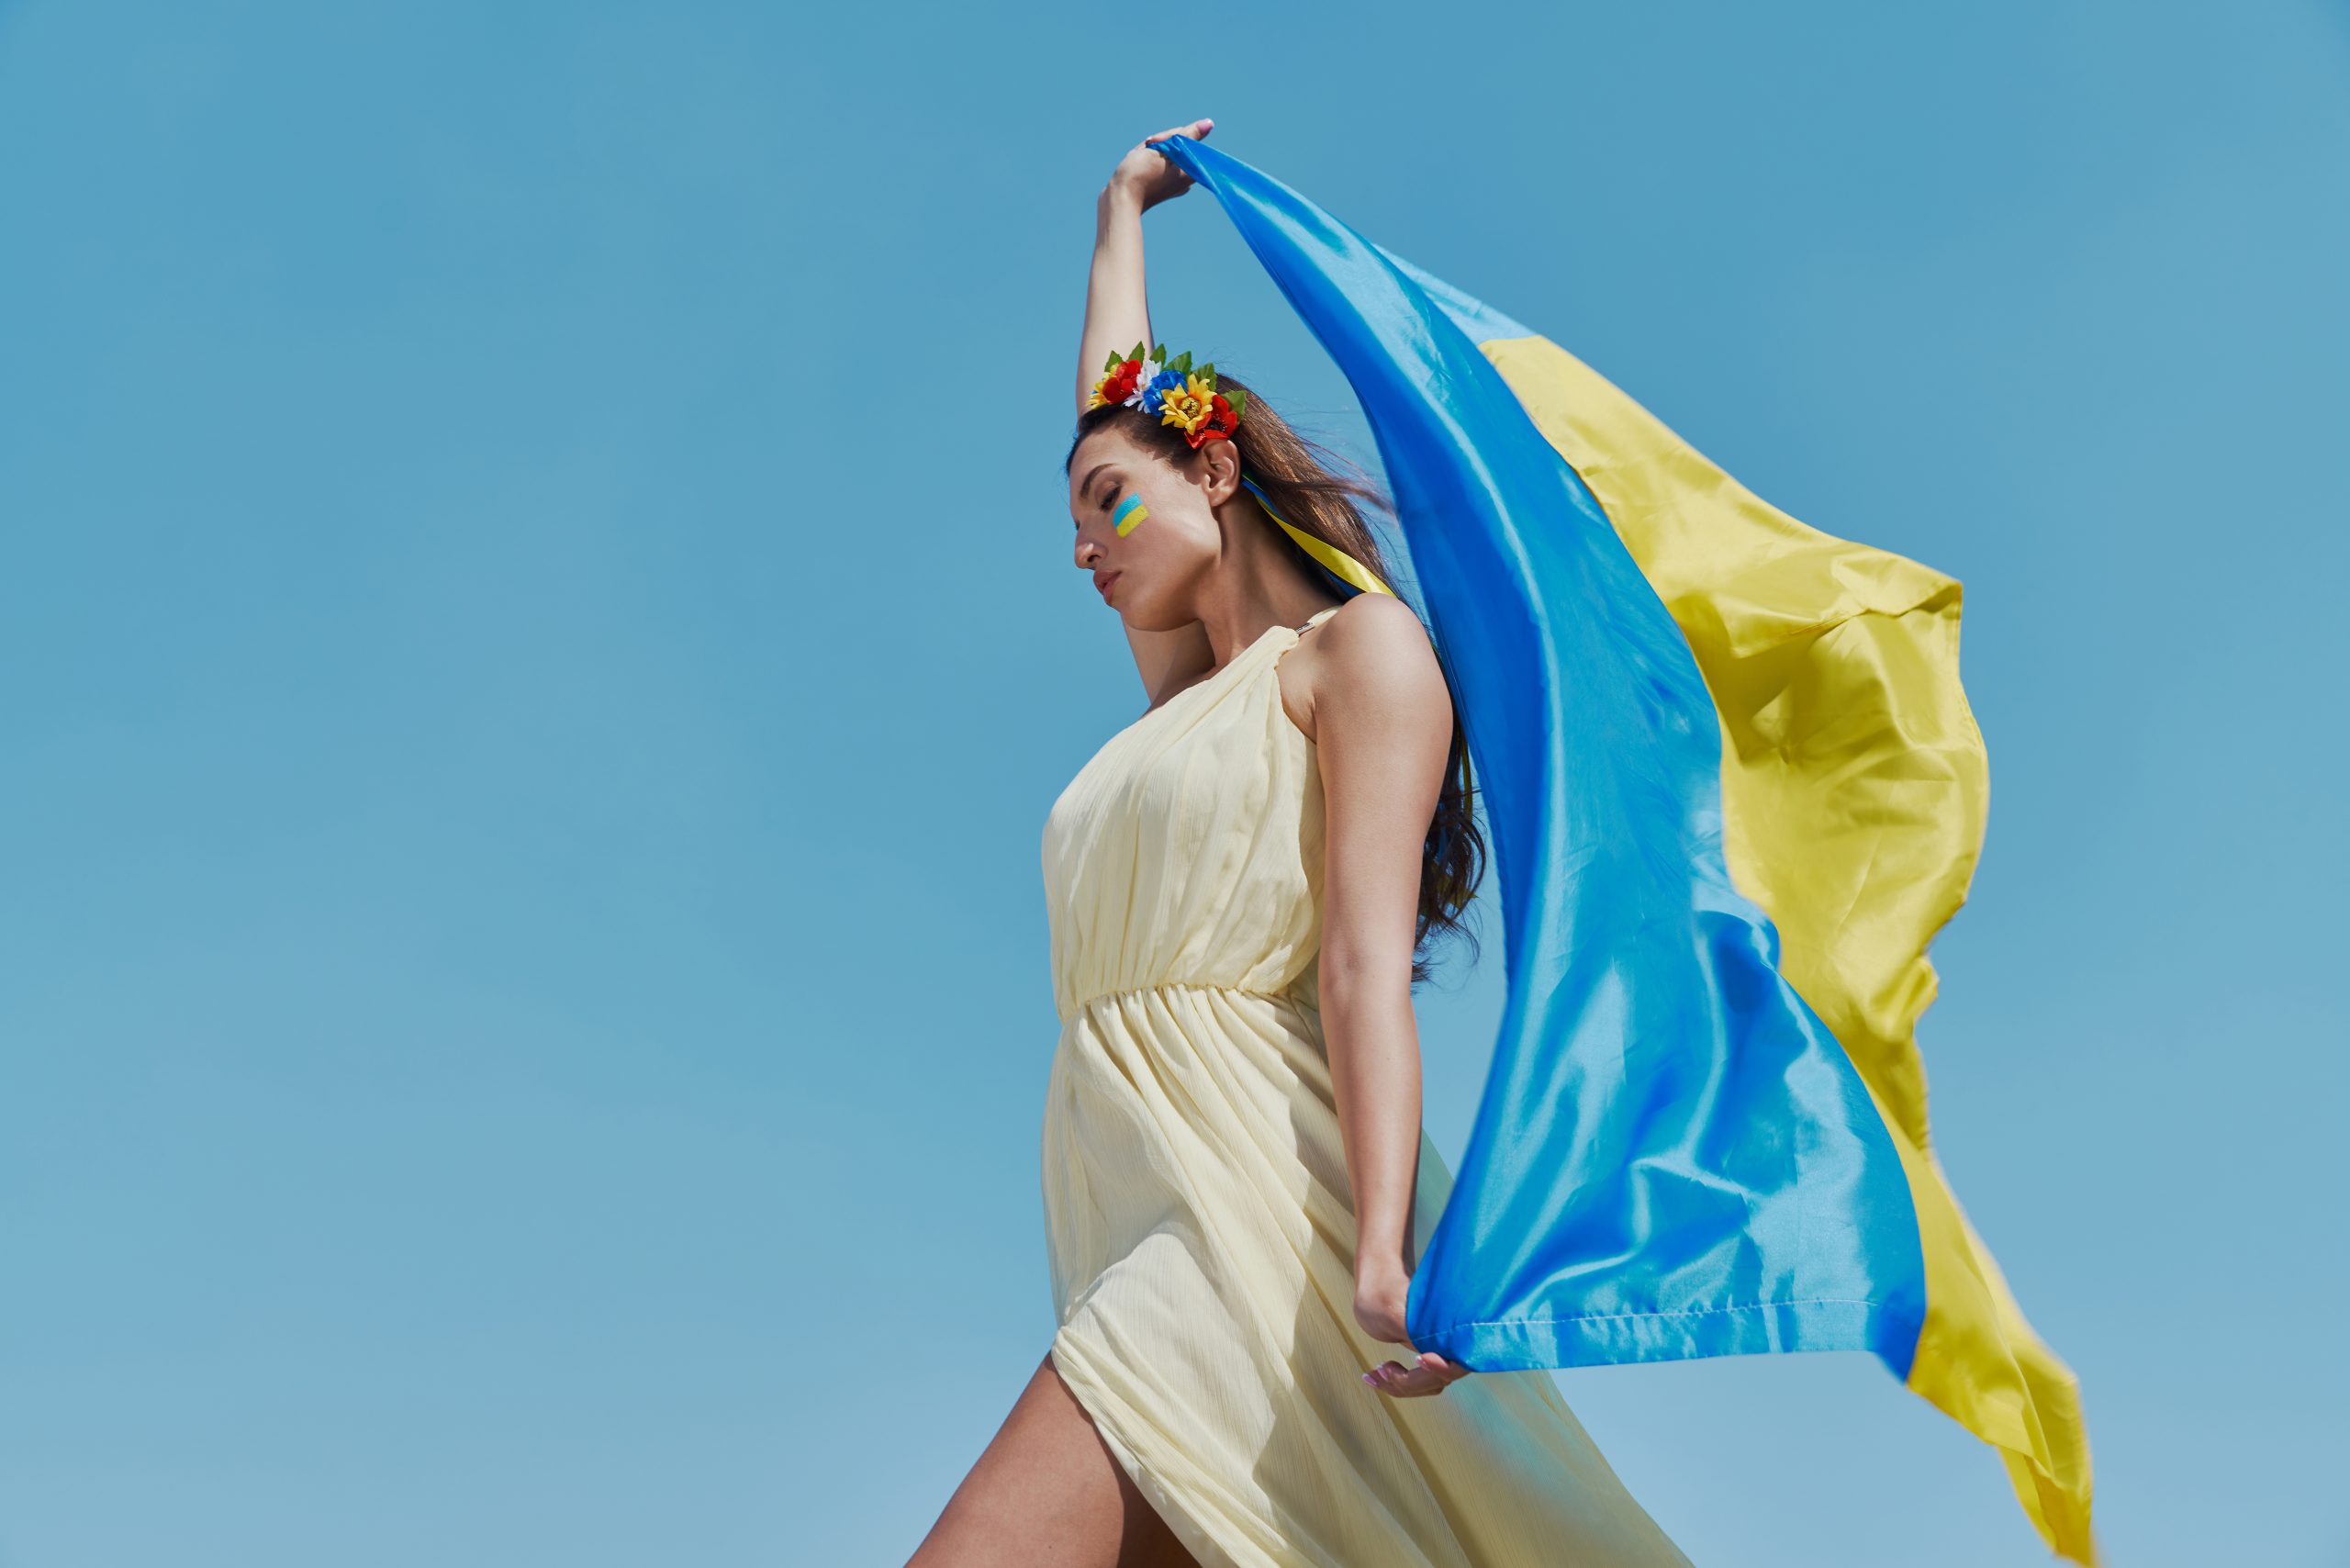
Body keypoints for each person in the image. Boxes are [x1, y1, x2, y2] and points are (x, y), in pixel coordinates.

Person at [906, 121, 1694, 1568]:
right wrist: (1119, 213)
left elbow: (1357, 972)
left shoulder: (1359, 658)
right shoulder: (1182, 697)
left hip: (1249, 1208)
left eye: (1105, 504)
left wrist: (1386, 1248)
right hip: (1129, 1202)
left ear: (1213, 470)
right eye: (1073, 524)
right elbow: (1117, 405)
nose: (1086, 548)